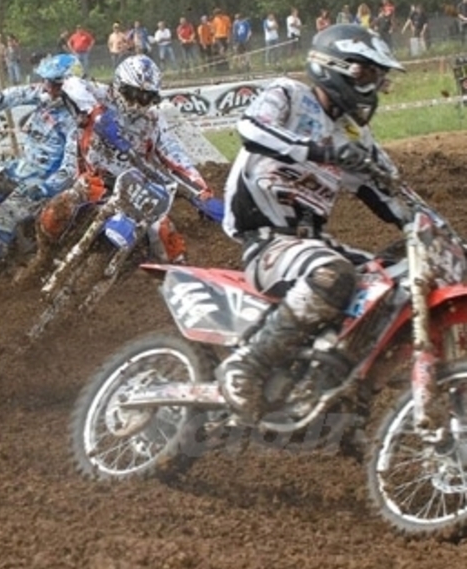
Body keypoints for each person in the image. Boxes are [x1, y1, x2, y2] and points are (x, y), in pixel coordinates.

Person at [217, 24, 407, 422]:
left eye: (378, 79)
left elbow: (391, 194)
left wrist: (434, 230)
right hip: (267, 240)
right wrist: (320, 151)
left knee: (396, 281)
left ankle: (343, 389)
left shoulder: (355, 135)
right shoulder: (290, 94)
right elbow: (250, 128)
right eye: (366, 75)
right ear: (335, 67)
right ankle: (247, 365)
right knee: (332, 274)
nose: (373, 88)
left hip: (311, 240)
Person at [37, 55, 213, 266]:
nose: (138, 103)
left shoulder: (153, 120)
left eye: (146, 98)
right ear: (120, 86)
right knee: (57, 211)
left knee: (164, 232)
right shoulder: (101, 94)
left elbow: (175, 156)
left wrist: (203, 192)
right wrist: (97, 113)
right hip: (94, 180)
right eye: (133, 94)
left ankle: (180, 273)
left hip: (135, 189)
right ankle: (43, 257)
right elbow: (71, 83)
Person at [0, 54, 84, 290]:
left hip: (43, 182)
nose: (47, 87)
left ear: (70, 87)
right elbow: (9, 96)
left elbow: (70, 168)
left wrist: (46, 187)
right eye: (46, 81)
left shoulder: (75, 123)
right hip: (20, 167)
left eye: (54, 84)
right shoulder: (42, 97)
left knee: (8, 212)